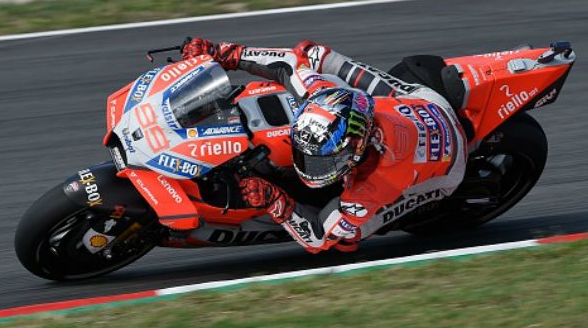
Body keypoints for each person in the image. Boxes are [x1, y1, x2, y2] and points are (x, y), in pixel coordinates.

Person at [182, 38, 467, 253]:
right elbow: (289, 64)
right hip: (421, 103)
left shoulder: (376, 184)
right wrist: (224, 53)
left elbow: (318, 238)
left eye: (322, 160)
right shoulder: (324, 94)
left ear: (356, 150)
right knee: (313, 54)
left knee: (346, 239)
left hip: (448, 167)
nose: (309, 166)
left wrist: (274, 200)